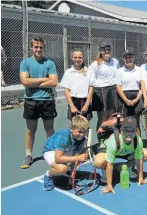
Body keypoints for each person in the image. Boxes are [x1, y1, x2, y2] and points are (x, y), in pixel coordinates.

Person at [20, 36, 58, 169]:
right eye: (36, 47)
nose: (38, 49)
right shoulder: (25, 63)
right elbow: (25, 81)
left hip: (47, 101)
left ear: (44, 48)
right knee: (31, 130)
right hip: (31, 101)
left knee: (49, 129)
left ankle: (51, 154)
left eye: (41, 47)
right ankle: (28, 156)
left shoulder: (50, 63)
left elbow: (54, 82)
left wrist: (33, 83)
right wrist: (44, 79)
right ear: (32, 48)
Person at [101, 117, 147, 193]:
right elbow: (110, 164)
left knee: (145, 154)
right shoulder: (114, 141)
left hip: (125, 152)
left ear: (136, 131)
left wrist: (140, 178)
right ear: (121, 130)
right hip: (110, 149)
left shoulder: (137, 140)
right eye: (126, 130)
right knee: (99, 162)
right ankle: (106, 172)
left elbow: (139, 159)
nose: (129, 133)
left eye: (132, 130)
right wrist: (109, 185)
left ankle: (123, 168)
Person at [42, 115, 90, 191]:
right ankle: (48, 175)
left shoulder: (82, 139)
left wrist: (71, 179)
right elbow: (58, 159)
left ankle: (68, 171)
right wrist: (77, 158)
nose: (82, 134)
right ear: (71, 129)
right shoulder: (64, 136)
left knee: (83, 154)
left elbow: (76, 160)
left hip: (65, 150)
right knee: (62, 168)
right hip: (51, 151)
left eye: (84, 132)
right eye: (79, 132)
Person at [87, 40, 120, 134]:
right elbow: (90, 82)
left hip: (113, 90)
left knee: (113, 116)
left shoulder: (115, 62)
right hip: (100, 91)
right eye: (104, 49)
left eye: (108, 49)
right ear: (100, 51)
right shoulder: (95, 65)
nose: (106, 51)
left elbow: (118, 76)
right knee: (102, 117)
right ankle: (101, 139)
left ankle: (111, 138)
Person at [60, 48, 93, 121]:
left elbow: (91, 88)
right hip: (73, 102)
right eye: (75, 57)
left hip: (85, 102)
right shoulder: (68, 72)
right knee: (74, 128)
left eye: (80, 57)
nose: (77, 59)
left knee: (86, 126)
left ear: (83, 58)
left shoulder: (89, 72)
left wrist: (87, 104)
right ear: (72, 58)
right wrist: (72, 106)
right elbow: (66, 90)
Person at [116, 50, 142, 126]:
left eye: (130, 57)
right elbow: (118, 87)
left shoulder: (140, 70)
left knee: (136, 122)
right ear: (123, 59)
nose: (128, 59)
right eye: (126, 58)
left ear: (133, 58)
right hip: (124, 98)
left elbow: (142, 86)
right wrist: (126, 100)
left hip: (136, 98)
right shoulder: (119, 71)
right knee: (124, 122)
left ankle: (137, 138)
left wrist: (137, 99)